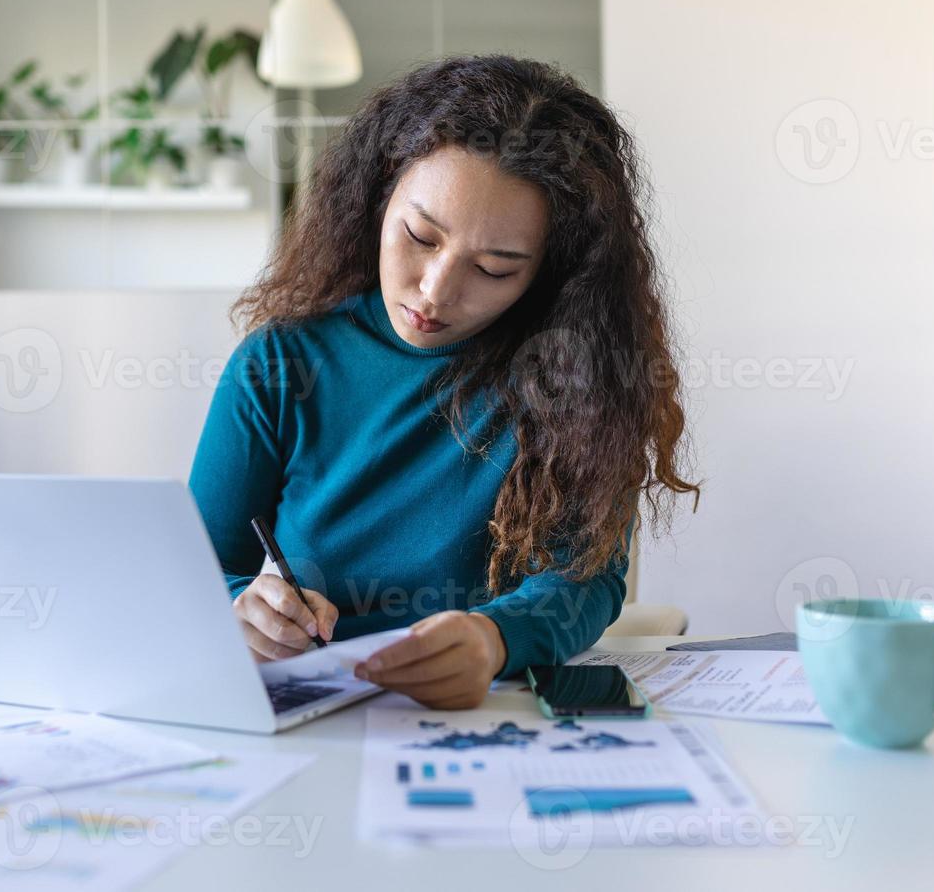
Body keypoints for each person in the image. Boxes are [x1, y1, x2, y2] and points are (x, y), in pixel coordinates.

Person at [189, 54, 698, 710]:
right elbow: (194, 570)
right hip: (313, 715)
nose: (435, 292)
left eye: (493, 269)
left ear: (550, 273)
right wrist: (244, 609)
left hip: (493, 715)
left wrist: (494, 638)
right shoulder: (280, 365)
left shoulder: (580, 383)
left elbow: (584, 584)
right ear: (379, 194)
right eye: (420, 236)